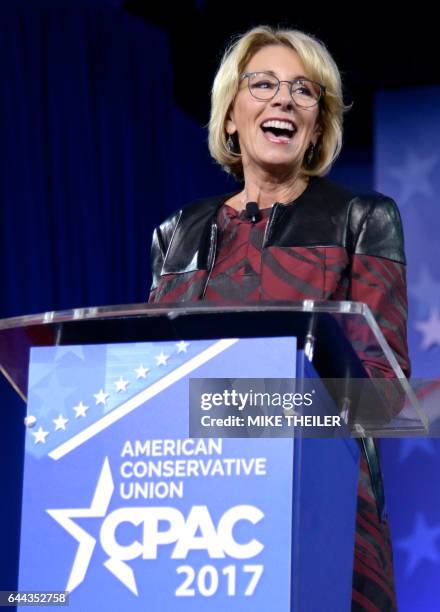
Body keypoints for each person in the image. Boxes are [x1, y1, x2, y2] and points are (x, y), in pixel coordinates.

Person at [148, 25, 410, 611]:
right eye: (262, 84)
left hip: (326, 509)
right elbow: (152, 382)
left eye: (304, 90)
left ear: (317, 125)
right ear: (231, 116)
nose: (284, 99)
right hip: (194, 517)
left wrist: (221, 407)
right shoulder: (175, 235)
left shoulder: (362, 218)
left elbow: (382, 397)